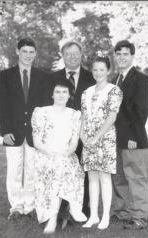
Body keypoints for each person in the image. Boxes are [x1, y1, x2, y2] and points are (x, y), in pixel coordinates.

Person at [0, 37, 48, 219]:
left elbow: (44, 107)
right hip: (13, 132)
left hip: (34, 133)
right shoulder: (6, 75)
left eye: (31, 52)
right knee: (14, 170)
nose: (28, 55)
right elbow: (1, 104)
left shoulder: (42, 76)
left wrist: (41, 131)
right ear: (18, 52)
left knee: (32, 170)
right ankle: (17, 207)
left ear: (35, 54)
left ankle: (30, 206)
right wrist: (5, 130)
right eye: (24, 51)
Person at [31, 81, 87, 234]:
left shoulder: (75, 115)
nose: (61, 95)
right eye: (57, 92)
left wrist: (66, 153)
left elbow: (74, 142)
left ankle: (57, 216)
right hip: (45, 154)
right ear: (52, 94)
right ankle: (59, 213)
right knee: (57, 169)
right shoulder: (41, 112)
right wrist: (51, 153)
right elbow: (36, 141)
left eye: (64, 92)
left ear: (69, 95)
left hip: (65, 154)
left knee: (63, 168)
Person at [51, 41, 95, 227]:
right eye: (68, 53)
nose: (72, 56)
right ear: (63, 55)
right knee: (61, 172)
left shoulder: (92, 77)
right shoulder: (52, 78)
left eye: (76, 53)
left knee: (82, 172)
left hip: (84, 133)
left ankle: (82, 209)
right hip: (61, 134)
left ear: (81, 54)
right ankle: (61, 211)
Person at [111, 40, 148, 230]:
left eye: (125, 54)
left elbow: (141, 111)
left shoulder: (140, 79)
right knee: (119, 178)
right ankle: (122, 212)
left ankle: (139, 217)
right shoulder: (114, 79)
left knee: (135, 177)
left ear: (132, 56)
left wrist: (133, 137)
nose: (121, 57)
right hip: (116, 139)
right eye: (118, 54)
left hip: (133, 138)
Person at [81, 57, 123, 230]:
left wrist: (97, 137)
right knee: (92, 178)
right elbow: (83, 117)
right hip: (88, 140)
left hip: (104, 139)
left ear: (108, 71)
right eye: (95, 69)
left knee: (104, 178)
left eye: (101, 69)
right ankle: (93, 216)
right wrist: (83, 137)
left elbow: (111, 117)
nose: (98, 73)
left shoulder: (114, 91)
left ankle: (105, 216)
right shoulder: (86, 92)